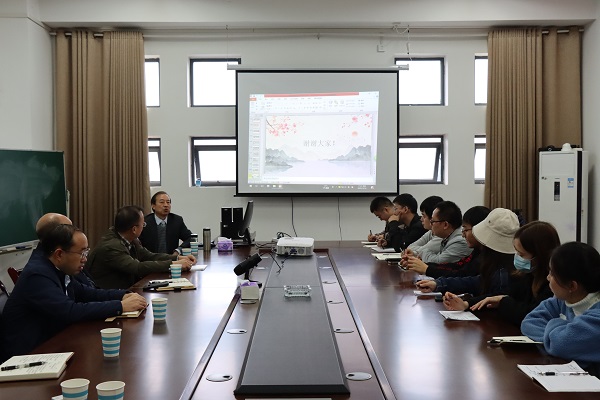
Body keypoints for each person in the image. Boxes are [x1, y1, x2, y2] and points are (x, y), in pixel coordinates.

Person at [1, 224, 147, 357]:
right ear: (59, 254)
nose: (85, 259)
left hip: (53, 343)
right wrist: (120, 306)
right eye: (82, 253)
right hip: (28, 355)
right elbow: (69, 311)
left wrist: (124, 295)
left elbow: (87, 293)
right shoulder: (37, 275)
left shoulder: (58, 268)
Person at [521, 242, 600, 377]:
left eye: (552, 274)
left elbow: (560, 344)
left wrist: (555, 325)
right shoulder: (563, 300)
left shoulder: (597, 316)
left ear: (572, 286)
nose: (548, 278)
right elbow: (529, 322)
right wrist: (557, 337)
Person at [416, 208, 519, 309]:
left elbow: (497, 296)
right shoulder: (487, 255)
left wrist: (467, 304)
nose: (463, 234)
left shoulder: (507, 267)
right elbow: (477, 281)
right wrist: (438, 284)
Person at [471, 221, 560, 325]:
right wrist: (467, 303)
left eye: (521, 254)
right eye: (516, 252)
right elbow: (504, 295)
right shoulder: (525, 276)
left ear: (540, 256)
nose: (516, 257)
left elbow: (533, 315)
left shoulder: (553, 284)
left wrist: (504, 302)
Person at [86, 205, 194, 289]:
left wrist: (177, 258)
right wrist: (173, 264)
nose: (144, 227)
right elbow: (137, 268)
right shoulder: (111, 246)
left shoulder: (130, 238)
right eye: (143, 225)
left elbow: (148, 256)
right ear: (134, 229)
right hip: (108, 294)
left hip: (127, 289)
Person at [403, 206, 490, 278]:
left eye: (466, 230)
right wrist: (421, 265)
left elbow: (460, 274)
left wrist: (426, 268)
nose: (463, 235)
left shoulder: (460, 241)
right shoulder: (477, 251)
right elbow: (456, 266)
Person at [34, 213, 96, 287]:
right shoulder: (40, 273)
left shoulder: (65, 262)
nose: (73, 231)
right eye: (68, 228)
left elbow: (84, 290)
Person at [406, 200, 471, 264]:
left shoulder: (459, 241)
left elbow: (438, 262)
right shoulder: (447, 236)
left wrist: (422, 252)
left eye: (433, 222)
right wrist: (417, 254)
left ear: (445, 225)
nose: (431, 224)